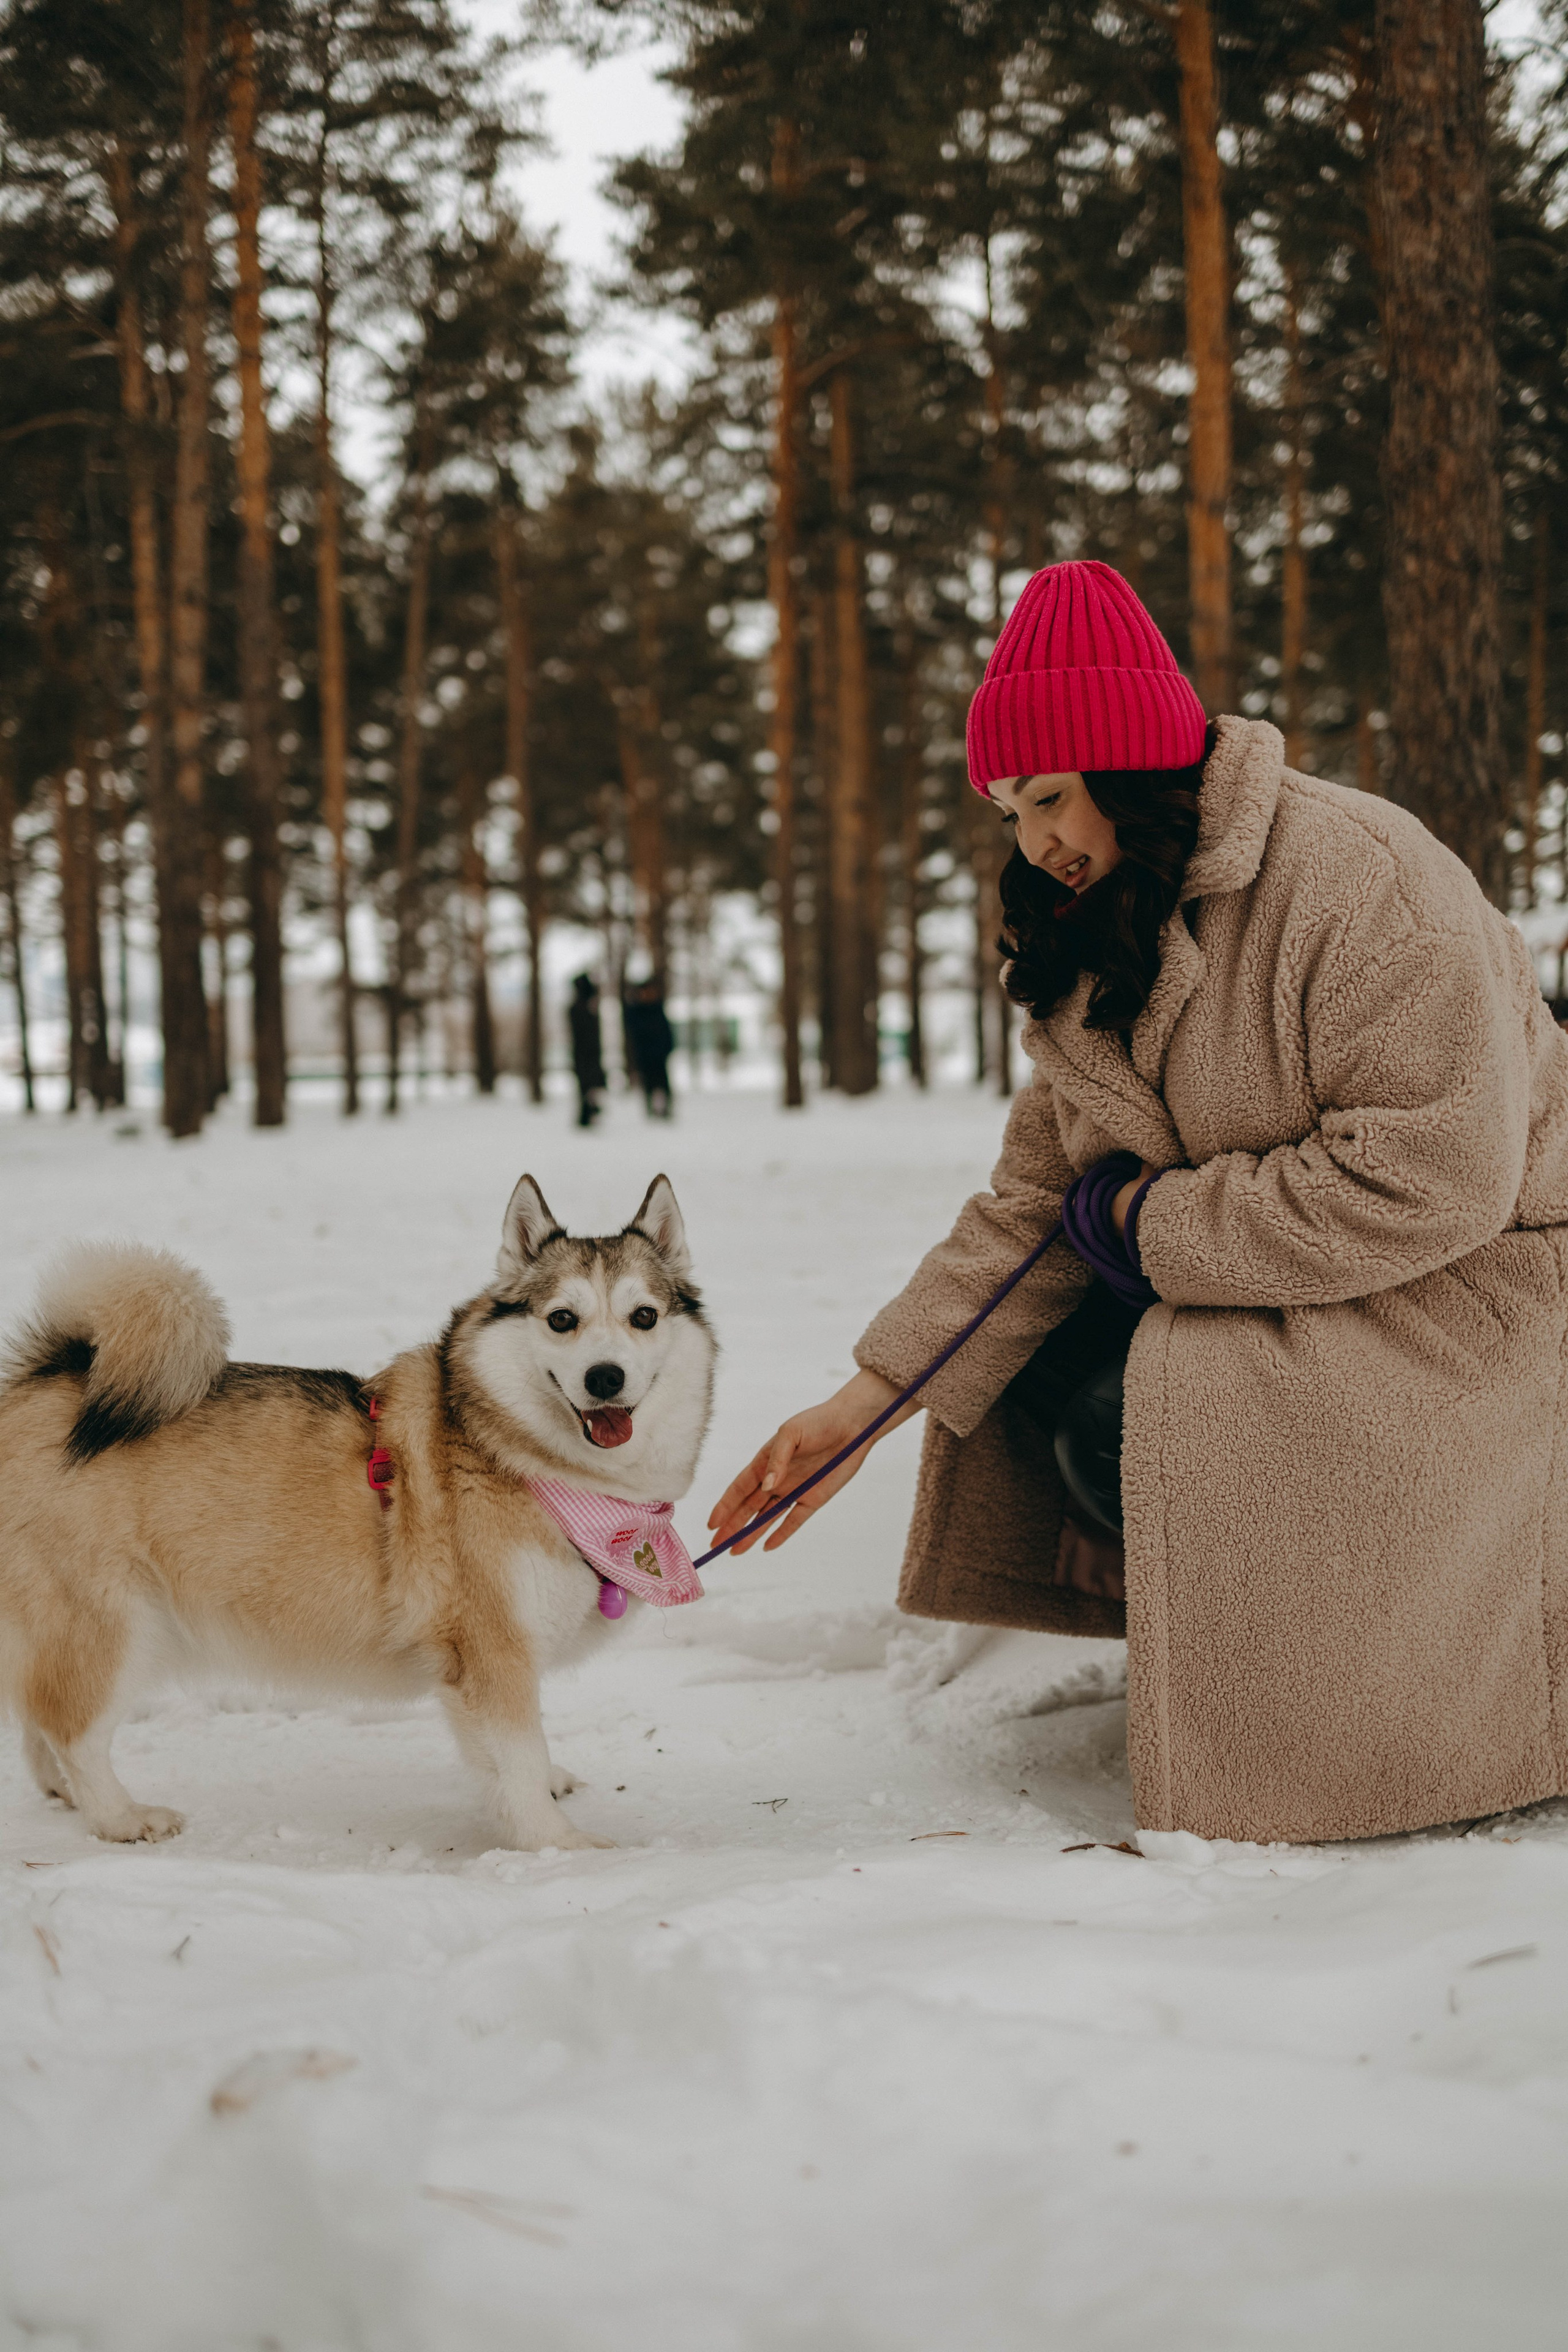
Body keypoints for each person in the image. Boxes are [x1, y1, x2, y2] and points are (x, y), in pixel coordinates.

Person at [709, 558, 1568, 1848]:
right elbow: (1031, 1205)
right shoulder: (1094, 927)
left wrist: (1147, 1228)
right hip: (1323, 1267)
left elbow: (1435, 1177)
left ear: (1132, 765)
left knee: (1145, 1410)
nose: (1032, 840)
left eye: (1048, 797)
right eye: (1006, 811)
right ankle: (1242, 1650)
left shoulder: (1360, 880)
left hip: (1480, 1284)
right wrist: (863, 1404)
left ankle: (1354, 1705)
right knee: (1033, 1383)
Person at [622, 976, 676, 1118]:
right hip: (645, 1056)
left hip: (659, 1056)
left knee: (663, 1084)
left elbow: (667, 1032)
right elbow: (633, 1035)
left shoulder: (658, 1010)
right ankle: (651, 1110)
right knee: (649, 1085)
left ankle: (665, 1110)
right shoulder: (636, 1012)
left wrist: (667, 1049)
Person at [568, 973, 605, 1129]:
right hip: (585, 1053)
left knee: (588, 1085)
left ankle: (589, 1112)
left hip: (588, 1053)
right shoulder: (581, 1008)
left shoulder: (584, 1007)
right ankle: (587, 1113)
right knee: (586, 1085)